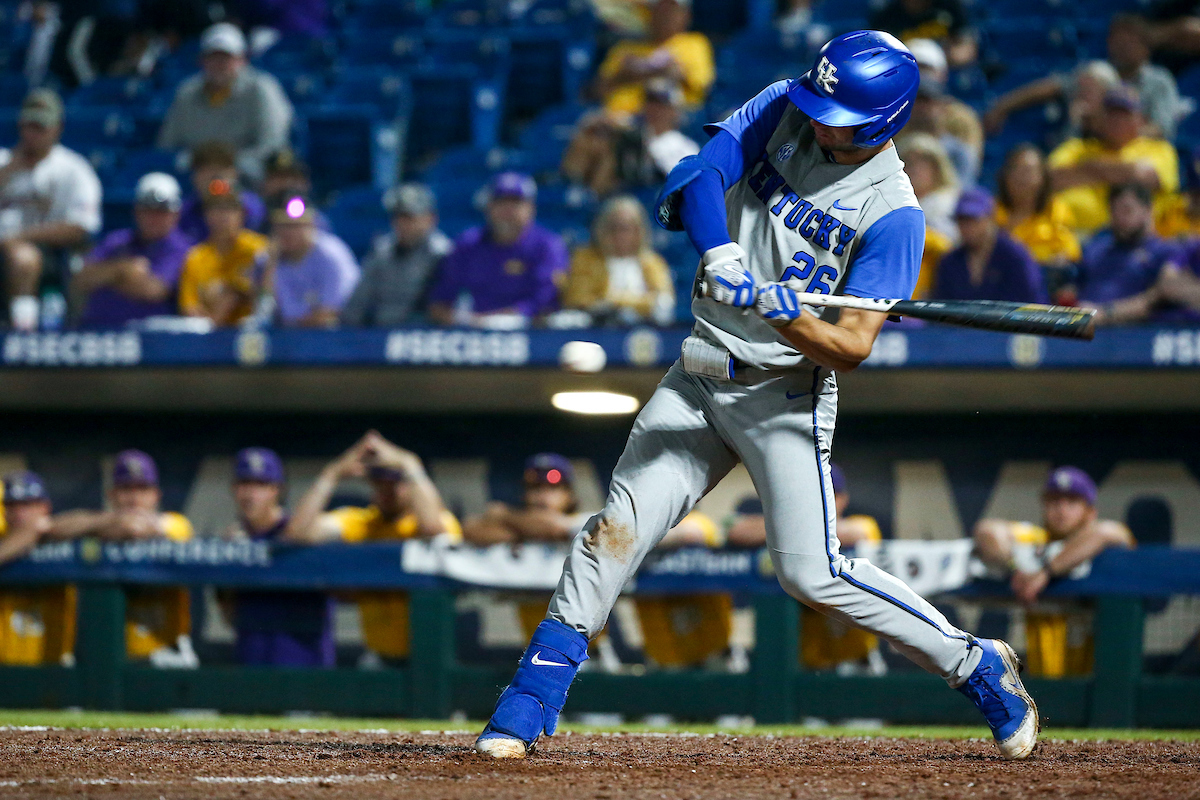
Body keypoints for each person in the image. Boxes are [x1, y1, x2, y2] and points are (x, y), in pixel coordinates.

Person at [474, 31, 1038, 762]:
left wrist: (788, 314)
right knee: (613, 530)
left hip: (783, 393)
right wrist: (722, 253)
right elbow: (697, 173)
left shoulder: (895, 215)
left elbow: (854, 346)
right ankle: (530, 699)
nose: (817, 115)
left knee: (812, 573)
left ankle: (975, 662)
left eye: (835, 111)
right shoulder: (785, 106)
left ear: (880, 121)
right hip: (700, 372)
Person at [283, 431, 461, 665]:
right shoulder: (363, 521)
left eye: (396, 481)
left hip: (430, 658)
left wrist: (408, 463)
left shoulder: (436, 521)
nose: (387, 489)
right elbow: (297, 534)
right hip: (378, 655)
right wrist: (332, 473)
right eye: (380, 480)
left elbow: (432, 529)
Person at [973, 466, 1134, 678]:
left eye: (1072, 502)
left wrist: (1046, 572)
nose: (1061, 509)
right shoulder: (1036, 542)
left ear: (1090, 512)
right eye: (1054, 501)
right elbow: (987, 531)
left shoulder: (1102, 545)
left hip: (1098, 681)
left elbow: (1107, 532)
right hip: (1045, 681)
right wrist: (1018, 570)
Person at [727, 465, 886, 675]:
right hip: (809, 661)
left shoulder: (862, 524)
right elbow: (736, 531)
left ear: (843, 499)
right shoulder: (792, 524)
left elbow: (858, 533)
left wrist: (790, 529)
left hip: (856, 657)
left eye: (830, 494)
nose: (822, 501)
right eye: (815, 493)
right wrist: (791, 525)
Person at [47, 450, 197, 666]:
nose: (134, 498)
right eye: (126, 489)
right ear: (111, 494)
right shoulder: (101, 526)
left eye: (142, 489)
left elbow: (138, 528)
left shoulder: (176, 523)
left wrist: (103, 527)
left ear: (156, 495)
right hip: (112, 654)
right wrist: (105, 523)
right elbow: (50, 528)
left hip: (166, 651)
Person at [221, 447, 336, 667]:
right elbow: (229, 616)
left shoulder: (304, 535)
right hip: (252, 665)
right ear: (234, 489)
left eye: (261, 485)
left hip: (306, 666)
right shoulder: (233, 542)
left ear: (277, 490)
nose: (251, 494)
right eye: (244, 484)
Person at [0, 89, 102, 331]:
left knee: (22, 257)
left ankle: (22, 332)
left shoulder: (73, 169)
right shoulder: (3, 161)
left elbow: (80, 227)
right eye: (29, 126)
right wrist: (8, 172)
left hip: (47, 253)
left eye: (41, 127)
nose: (33, 134)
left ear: (58, 128)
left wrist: (20, 238)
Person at [156, 22, 294, 183]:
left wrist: (228, 166)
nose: (219, 64)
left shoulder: (262, 89)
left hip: (247, 175)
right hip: (195, 176)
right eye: (213, 57)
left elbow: (272, 144)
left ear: (242, 59)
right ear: (201, 60)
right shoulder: (187, 92)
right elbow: (167, 144)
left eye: (226, 57)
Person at [426, 173, 569, 327]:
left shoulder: (547, 246)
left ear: (530, 208)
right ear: (488, 207)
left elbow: (546, 301)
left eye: (515, 203)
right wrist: (468, 320)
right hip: (476, 331)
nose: (507, 211)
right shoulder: (469, 243)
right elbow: (441, 298)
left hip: (531, 332)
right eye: (501, 203)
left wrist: (503, 320)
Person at [1048, 87, 1179, 238]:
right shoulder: (1076, 147)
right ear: (1100, 118)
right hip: (1072, 234)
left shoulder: (1159, 148)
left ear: (1141, 119)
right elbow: (1048, 179)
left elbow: (1142, 176)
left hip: (1137, 239)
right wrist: (1121, 172)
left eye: (1125, 114)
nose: (1117, 120)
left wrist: (1086, 168)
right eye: (1111, 114)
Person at [74, 173, 191, 329]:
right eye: (148, 210)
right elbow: (81, 279)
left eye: (161, 211)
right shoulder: (117, 240)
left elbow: (152, 290)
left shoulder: (182, 248)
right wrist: (124, 270)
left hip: (152, 341)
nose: (154, 218)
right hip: (97, 332)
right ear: (136, 211)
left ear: (176, 214)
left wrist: (107, 276)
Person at [1072, 182, 1186, 326]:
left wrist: (1106, 313)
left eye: (1127, 210)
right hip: (1084, 334)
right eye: (1114, 210)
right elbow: (1073, 288)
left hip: (1135, 335)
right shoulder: (1095, 249)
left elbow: (1157, 298)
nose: (1119, 217)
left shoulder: (1165, 252)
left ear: (1148, 210)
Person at [562, 79, 701, 197]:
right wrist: (605, 123)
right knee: (593, 139)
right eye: (650, 102)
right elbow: (588, 122)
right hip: (618, 185)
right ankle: (574, 190)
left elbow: (676, 181)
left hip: (650, 193)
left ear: (675, 111)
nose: (654, 109)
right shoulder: (633, 127)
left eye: (661, 104)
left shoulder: (685, 145)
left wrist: (638, 142)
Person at [341, 184, 451, 327]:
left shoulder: (442, 254)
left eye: (409, 217)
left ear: (430, 218)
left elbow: (444, 311)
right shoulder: (382, 250)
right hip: (378, 335)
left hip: (421, 337)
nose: (401, 223)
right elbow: (357, 304)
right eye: (397, 216)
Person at [560, 195, 675, 326]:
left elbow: (663, 302)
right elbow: (578, 300)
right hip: (598, 330)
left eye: (626, 228)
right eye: (613, 228)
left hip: (643, 329)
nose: (619, 235)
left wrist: (612, 302)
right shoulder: (585, 259)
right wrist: (639, 303)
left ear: (639, 231)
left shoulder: (653, 262)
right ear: (601, 229)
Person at [0, 471, 75, 666]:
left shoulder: (63, 538)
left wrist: (44, 527)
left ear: (45, 507)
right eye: (12, 505)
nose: (19, 512)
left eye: (27, 504)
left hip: (55, 667)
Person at [593, 0, 715, 117]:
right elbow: (597, 91)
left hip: (668, 123)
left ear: (686, 15)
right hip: (617, 120)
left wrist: (635, 71)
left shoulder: (695, 44)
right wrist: (656, 70)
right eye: (660, 10)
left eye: (671, 10)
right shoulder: (625, 49)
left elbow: (701, 85)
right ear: (648, 13)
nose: (665, 16)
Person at [994, 144, 1081, 302]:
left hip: (1044, 288)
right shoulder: (991, 211)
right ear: (1004, 175)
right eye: (1015, 169)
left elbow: (1067, 255)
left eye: (1029, 171)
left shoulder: (1056, 209)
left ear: (1043, 178)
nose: (1021, 177)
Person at [177, 183, 270, 326]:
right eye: (215, 209)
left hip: (252, 334)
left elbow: (267, 296)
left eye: (229, 209)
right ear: (206, 215)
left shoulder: (259, 249)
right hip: (209, 335)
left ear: (241, 214)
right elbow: (189, 305)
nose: (222, 215)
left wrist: (235, 292)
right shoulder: (196, 256)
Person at [934, 188, 1047, 303]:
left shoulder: (1014, 256)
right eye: (961, 221)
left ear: (990, 218)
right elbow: (942, 305)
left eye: (973, 220)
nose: (966, 227)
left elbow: (1031, 300)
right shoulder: (950, 262)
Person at [261, 195, 359, 328]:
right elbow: (265, 311)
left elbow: (332, 312)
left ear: (312, 225)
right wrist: (270, 265)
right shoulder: (269, 258)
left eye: (296, 226)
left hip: (330, 336)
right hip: (287, 335)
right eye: (283, 226)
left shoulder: (331, 255)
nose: (289, 233)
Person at [903, 38, 982, 187]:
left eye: (926, 100)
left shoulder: (959, 148)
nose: (921, 107)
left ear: (941, 104)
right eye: (916, 100)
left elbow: (964, 188)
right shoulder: (892, 140)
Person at [1105, 14, 1185, 141]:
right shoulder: (1099, 76)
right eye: (1118, 42)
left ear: (1146, 47)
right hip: (1098, 149)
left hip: (1145, 151)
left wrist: (1121, 134)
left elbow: (1162, 128)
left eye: (1130, 43)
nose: (1123, 48)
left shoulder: (1159, 80)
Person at [898, 134, 959, 298]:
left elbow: (954, 247)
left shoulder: (952, 203)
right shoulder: (890, 202)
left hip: (938, 288)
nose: (915, 169)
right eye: (909, 163)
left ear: (937, 168)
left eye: (923, 163)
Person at [177, 141, 267, 245]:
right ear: (195, 177)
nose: (214, 176)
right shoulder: (185, 211)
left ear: (235, 174)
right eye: (207, 170)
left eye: (221, 169)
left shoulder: (251, 207)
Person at [869, 0, 977, 67]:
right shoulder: (886, 15)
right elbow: (876, 55)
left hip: (941, 66)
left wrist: (943, 59)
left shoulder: (949, 6)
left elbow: (965, 48)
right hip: (901, 67)